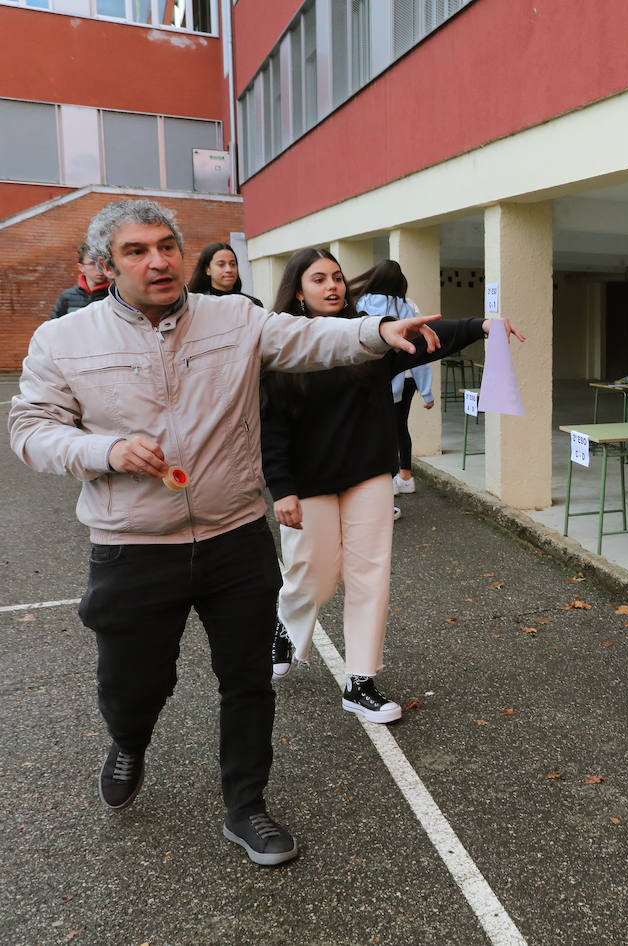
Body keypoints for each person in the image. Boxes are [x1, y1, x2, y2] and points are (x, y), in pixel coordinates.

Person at [8, 199, 441, 866]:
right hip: (132, 545)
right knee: (134, 684)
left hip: (235, 536)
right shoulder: (64, 339)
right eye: (135, 251)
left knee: (247, 681)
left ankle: (247, 807)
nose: (157, 261)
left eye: (166, 246)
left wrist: (377, 336)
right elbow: (30, 429)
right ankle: (129, 742)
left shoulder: (234, 318)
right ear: (105, 264)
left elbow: (306, 340)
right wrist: (106, 451)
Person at [261, 256, 524, 724]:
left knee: (369, 575)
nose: (333, 286)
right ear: (298, 293)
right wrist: (281, 488)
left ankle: (360, 680)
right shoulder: (285, 347)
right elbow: (272, 426)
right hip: (308, 483)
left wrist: (483, 325)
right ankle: (287, 619)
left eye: (337, 277)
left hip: (368, 474)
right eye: (319, 279)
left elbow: (430, 340)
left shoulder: (373, 335)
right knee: (314, 574)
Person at [391, 359, 435, 496]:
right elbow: (421, 361)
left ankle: (389, 479)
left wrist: (427, 393)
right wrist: (426, 392)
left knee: (387, 429)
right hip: (409, 380)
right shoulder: (415, 337)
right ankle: (405, 478)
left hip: (393, 383)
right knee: (399, 427)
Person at [187, 241, 263, 306]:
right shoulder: (195, 304)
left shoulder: (252, 304)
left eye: (233, 264)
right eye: (221, 264)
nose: (229, 270)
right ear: (208, 270)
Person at [48, 242, 111, 319]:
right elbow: (53, 327)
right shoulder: (67, 297)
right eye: (92, 263)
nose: (99, 268)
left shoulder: (116, 296)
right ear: (81, 267)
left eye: (102, 263)